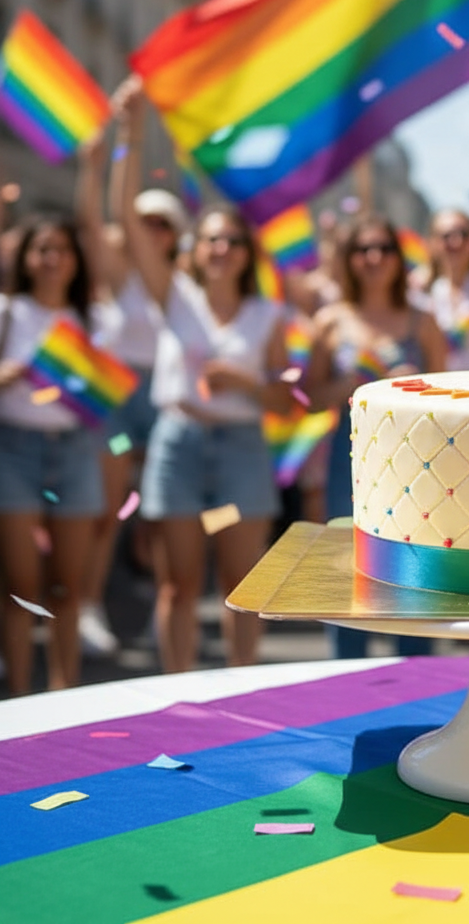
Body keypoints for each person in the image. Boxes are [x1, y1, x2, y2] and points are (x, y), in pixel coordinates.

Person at [116, 78, 292, 673]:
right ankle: (178, 694)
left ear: (246, 253)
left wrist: (242, 383)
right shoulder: (176, 295)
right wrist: (131, 138)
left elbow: (288, 399)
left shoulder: (269, 314)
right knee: (178, 585)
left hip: (241, 448)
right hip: (180, 445)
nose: (221, 248)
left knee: (242, 588)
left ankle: (241, 690)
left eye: (233, 241)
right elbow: (127, 219)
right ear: (198, 247)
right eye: (212, 239)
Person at [306, 213, 446, 658]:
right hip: (350, 459)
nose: (373, 259)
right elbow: (307, 397)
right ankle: (345, 672)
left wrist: (415, 382)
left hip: (416, 462)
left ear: (398, 259)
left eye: (383, 249)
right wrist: (350, 386)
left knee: (414, 571)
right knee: (350, 568)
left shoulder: (422, 322)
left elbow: (452, 398)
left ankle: (416, 674)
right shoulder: (330, 321)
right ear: (348, 260)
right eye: (363, 250)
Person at [83, 130, 190, 657]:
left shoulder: (182, 282)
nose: (149, 230)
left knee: (157, 516)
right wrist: (115, 150)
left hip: (165, 401)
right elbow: (97, 218)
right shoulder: (120, 272)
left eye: (161, 223)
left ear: (175, 233)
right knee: (109, 510)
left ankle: (156, 614)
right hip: (117, 399)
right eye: (143, 220)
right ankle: (87, 607)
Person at [0, 213, 104, 693]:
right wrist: (15, 371)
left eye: (61, 248)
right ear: (25, 258)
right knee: (21, 587)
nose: (52, 258)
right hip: (15, 448)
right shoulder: (7, 312)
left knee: (68, 586)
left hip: (76, 452)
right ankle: (20, 696)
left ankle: (65, 696)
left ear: (75, 260)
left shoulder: (92, 318)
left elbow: (105, 398)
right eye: (42, 249)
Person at [418, 208, 469, 370]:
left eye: (464, 234)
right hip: (444, 393)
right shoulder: (424, 295)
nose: (456, 242)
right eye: (446, 236)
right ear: (432, 243)